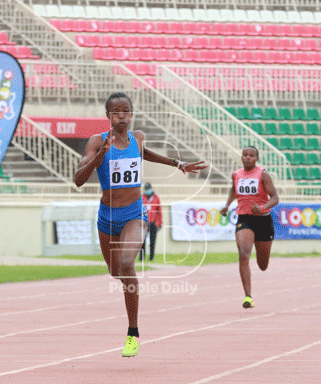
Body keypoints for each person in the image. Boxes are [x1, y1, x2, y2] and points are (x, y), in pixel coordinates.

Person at [73, 92, 206, 357]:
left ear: (131, 114)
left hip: (135, 213)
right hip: (107, 217)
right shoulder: (97, 141)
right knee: (116, 273)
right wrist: (99, 157)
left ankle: (133, 331)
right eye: (116, 112)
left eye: (126, 111)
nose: (121, 116)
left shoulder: (138, 137)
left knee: (125, 263)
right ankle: (131, 293)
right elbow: (78, 179)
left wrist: (176, 163)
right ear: (108, 115)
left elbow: (144, 153)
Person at [219, 146, 279, 309]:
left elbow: (275, 198)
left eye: (251, 156)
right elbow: (233, 189)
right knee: (244, 253)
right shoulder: (236, 175)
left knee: (262, 265)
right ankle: (248, 296)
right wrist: (227, 205)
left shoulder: (263, 174)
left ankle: (263, 259)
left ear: (256, 159)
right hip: (245, 219)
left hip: (263, 220)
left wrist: (262, 207)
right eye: (245, 155)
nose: (247, 158)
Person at [139, 183, 161, 262]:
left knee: (152, 241)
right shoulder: (141, 198)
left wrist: (159, 223)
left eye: (149, 189)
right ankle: (141, 257)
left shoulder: (156, 198)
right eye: (146, 189)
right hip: (144, 223)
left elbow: (159, 211)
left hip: (153, 222)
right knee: (142, 242)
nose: (148, 191)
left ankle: (151, 257)